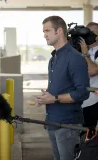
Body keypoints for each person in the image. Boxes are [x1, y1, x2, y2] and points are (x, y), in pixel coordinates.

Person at [34, 16, 90, 160]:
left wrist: (54, 98)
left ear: (59, 31)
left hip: (68, 125)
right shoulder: (53, 58)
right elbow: (58, 90)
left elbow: (82, 93)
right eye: (43, 31)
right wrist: (45, 98)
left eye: (47, 31)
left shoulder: (75, 58)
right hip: (52, 121)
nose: (44, 35)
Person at [79, 22, 98, 129]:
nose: (89, 36)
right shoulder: (80, 50)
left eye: (93, 33)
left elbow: (93, 71)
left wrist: (85, 54)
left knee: (89, 134)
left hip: (94, 101)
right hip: (81, 100)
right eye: (87, 32)